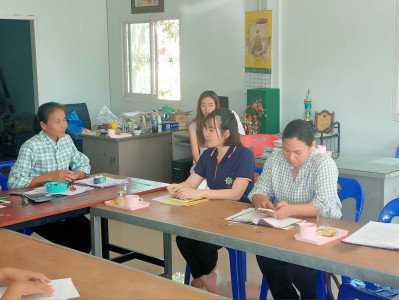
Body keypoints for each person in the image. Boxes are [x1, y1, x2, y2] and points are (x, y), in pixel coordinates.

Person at [248, 119, 342, 300]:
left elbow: (327, 206)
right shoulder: (276, 158)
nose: (291, 157)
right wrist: (261, 199)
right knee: (266, 254)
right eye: (286, 150)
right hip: (284, 230)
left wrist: (291, 210)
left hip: (317, 233)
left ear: (312, 146)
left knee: (301, 266)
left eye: (298, 152)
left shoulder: (323, 163)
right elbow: (258, 190)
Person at [167, 108, 255, 294]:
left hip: (239, 216)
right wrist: (177, 188)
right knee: (183, 239)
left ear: (227, 133)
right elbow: (191, 183)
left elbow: (236, 194)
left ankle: (205, 279)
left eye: (211, 130)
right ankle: (208, 277)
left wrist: (201, 194)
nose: (205, 134)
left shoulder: (244, 155)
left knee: (204, 245)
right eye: (205, 129)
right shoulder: (208, 155)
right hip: (213, 214)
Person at [8, 102, 92, 253]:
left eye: (64, 120)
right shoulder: (31, 146)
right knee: (76, 240)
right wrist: (50, 177)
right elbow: (14, 181)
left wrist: (76, 174)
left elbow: (84, 163)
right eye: (58, 121)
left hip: (64, 203)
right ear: (44, 125)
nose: (63, 125)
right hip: (37, 208)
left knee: (88, 232)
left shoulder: (66, 140)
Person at [189, 91, 245, 164]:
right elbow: (195, 153)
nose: (207, 109)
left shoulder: (226, 119)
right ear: (200, 107)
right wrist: (202, 169)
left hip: (225, 159)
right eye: (203, 105)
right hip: (202, 163)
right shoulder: (194, 125)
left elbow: (238, 140)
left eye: (210, 105)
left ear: (216, 105)